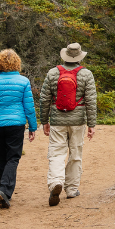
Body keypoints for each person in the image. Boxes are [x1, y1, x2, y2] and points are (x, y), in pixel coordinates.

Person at [0, 49, 38, 209]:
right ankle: (4, 189)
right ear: (17, 63)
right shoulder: (23, 81)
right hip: (16, 124)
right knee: (13, 157)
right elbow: (29, 106)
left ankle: (3, 192)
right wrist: (32, 126)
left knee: (1, 158)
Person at [39, 43, 97, 206]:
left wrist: (44, 121)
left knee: (56, 153)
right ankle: (71, 189)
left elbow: (44, 99)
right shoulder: (86, 74)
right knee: (75, 154)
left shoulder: (53, 73)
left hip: (57, 120)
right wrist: (91, 124)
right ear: (79, 57)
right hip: (78, 122)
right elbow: (91, 101)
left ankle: (56, 182)